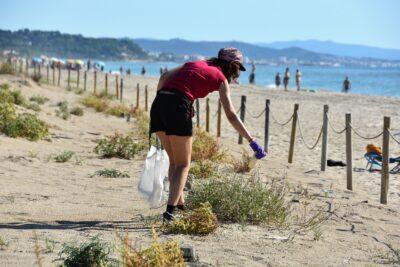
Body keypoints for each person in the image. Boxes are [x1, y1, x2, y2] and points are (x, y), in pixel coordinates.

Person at [150, 47, 266, 222]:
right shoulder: (221, 79)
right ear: (232, 65)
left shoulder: (195, 63)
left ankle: (180, 204)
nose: (238, 74)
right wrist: (251, 140)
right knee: (183, 164)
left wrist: (166, 100)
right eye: (238, 69)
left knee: (175, 161)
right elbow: (231, 115)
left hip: (159, 104)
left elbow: (164, 77)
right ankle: (170, 212)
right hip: (178, 105)